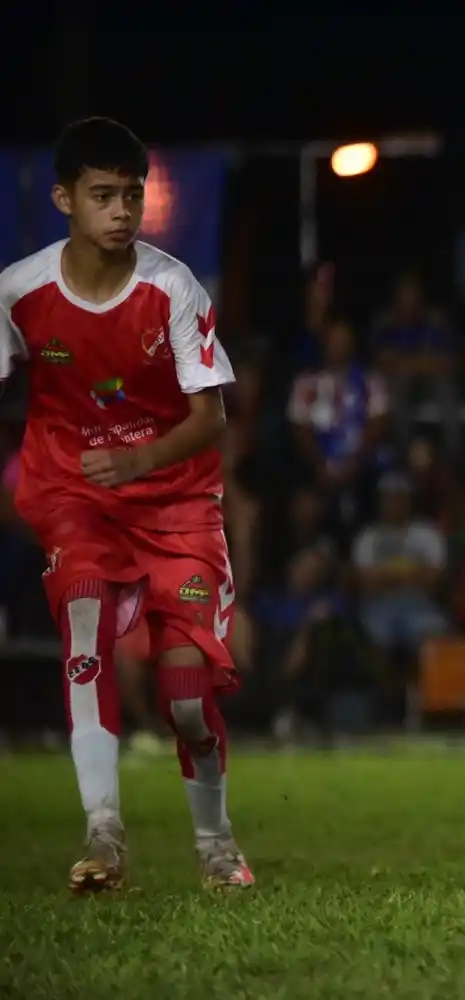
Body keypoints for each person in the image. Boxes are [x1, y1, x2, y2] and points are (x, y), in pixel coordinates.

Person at [0, 118, 253, 893]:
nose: (120, 210)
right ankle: (102, 833)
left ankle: (216, 844)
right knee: (84, 620)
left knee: (183, 697)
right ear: (63, 199)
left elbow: (211, 416)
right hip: (75, 491)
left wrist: (139, 459)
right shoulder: (20, 291)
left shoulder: (172, 287)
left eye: (131, 195)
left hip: (175, 502)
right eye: (102, 195)